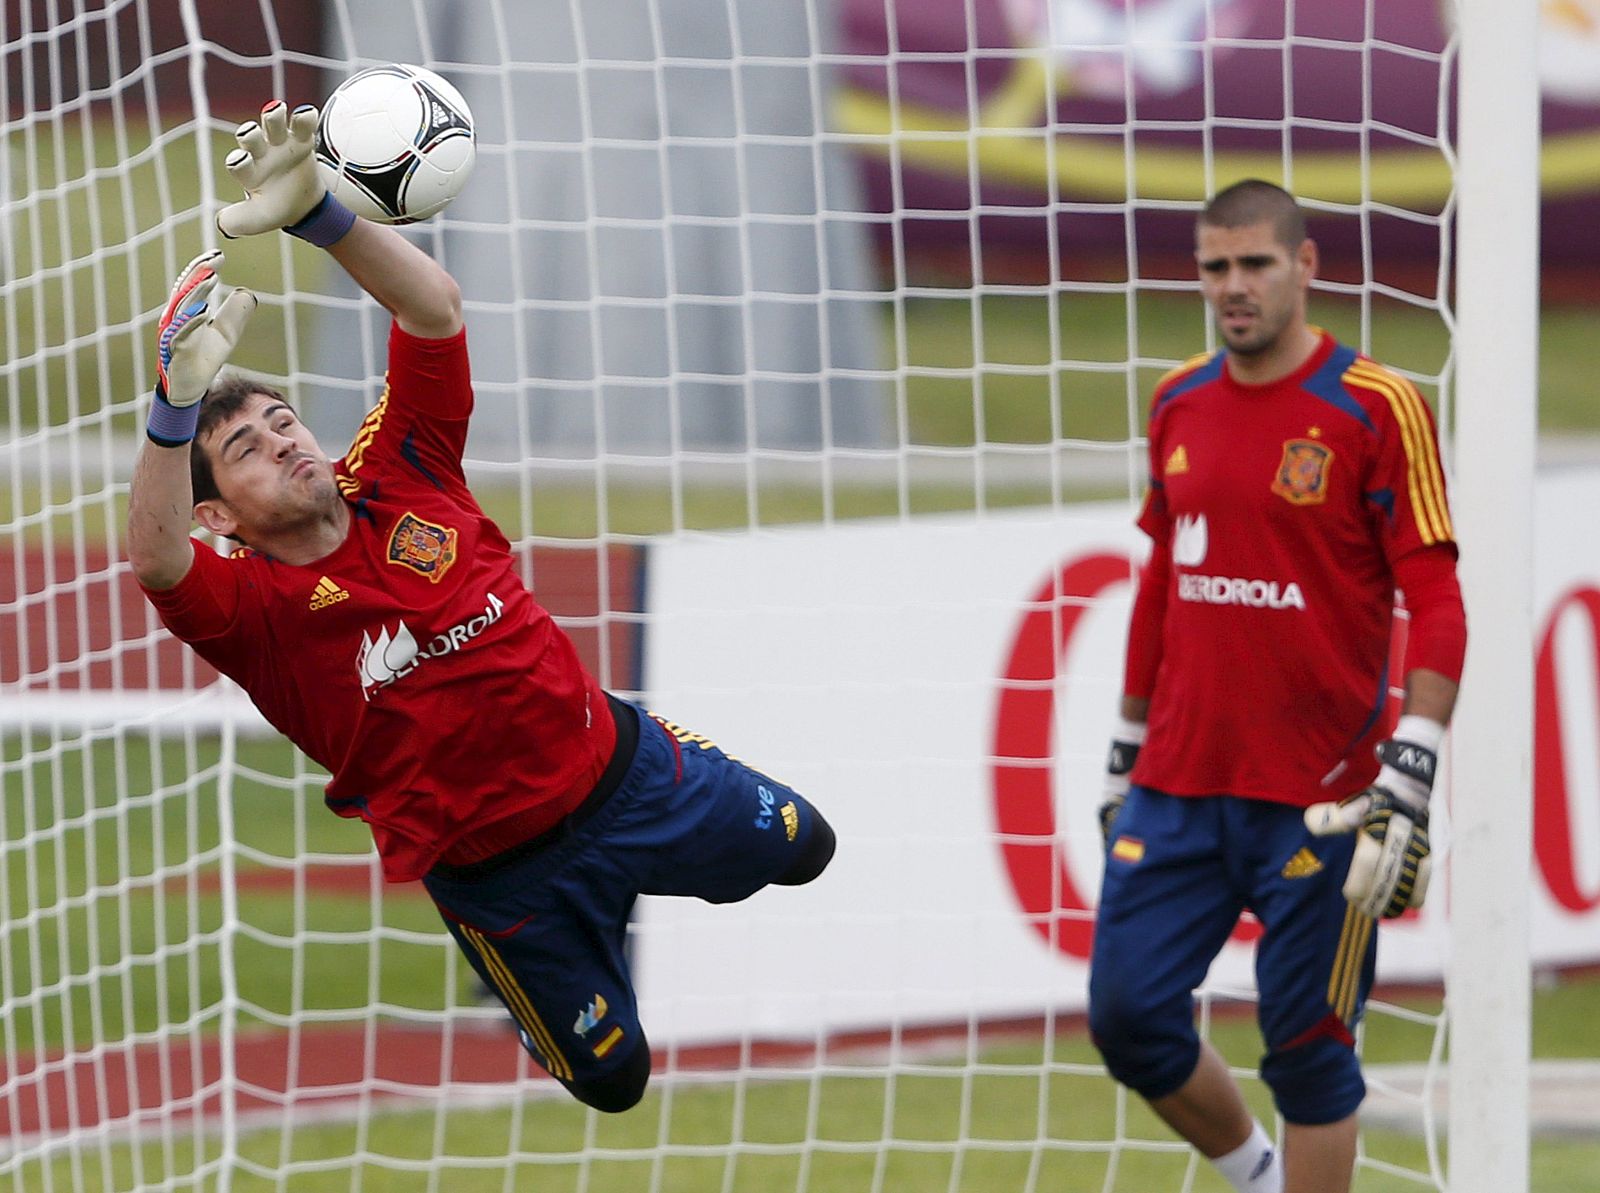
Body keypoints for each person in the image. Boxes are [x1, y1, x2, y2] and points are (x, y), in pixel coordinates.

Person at [126, 100, 836, 1114]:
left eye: (284, 422)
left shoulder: (404, 467)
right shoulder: (253, 610)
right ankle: (550, 949)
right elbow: (153, 557)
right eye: (247, 447)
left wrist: (316, 210)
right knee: (613, 1077)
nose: (285, 441)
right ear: (219, 518)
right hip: (508, 883)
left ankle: (653, 810)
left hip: (629, 773)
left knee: (807, 845)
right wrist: (173, 409)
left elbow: (432, 311)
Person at [1087, 180, 1467, 1193]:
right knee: (1125, 1013)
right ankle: (1257, 1176)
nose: (1232, 287)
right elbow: (1161, 583)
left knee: (1305, 1048)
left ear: (1304, 265)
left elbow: (1434, 594)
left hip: (1324, 792)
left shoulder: (1376, 406)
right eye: (1215, 267)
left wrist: (1412, 769)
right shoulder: (1177, 399)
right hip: (1176, 779)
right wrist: (1124, 749)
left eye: (1254, 263)